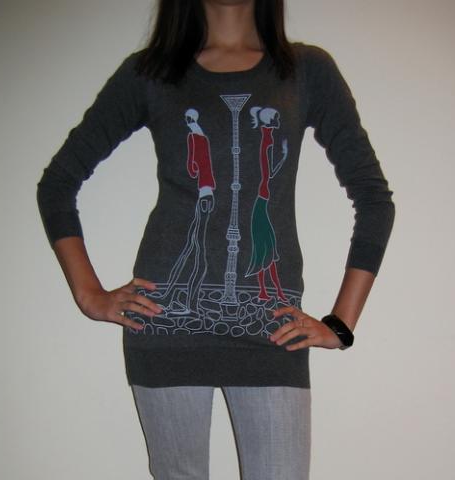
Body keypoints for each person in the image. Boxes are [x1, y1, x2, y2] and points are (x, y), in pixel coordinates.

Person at [36, 0, 395, 478]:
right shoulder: (152, 72)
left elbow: (373, 198)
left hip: (270, 331)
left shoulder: (306, 70)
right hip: (165, 326)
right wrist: (89, 295)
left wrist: (341, 324)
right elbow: (58, 183)